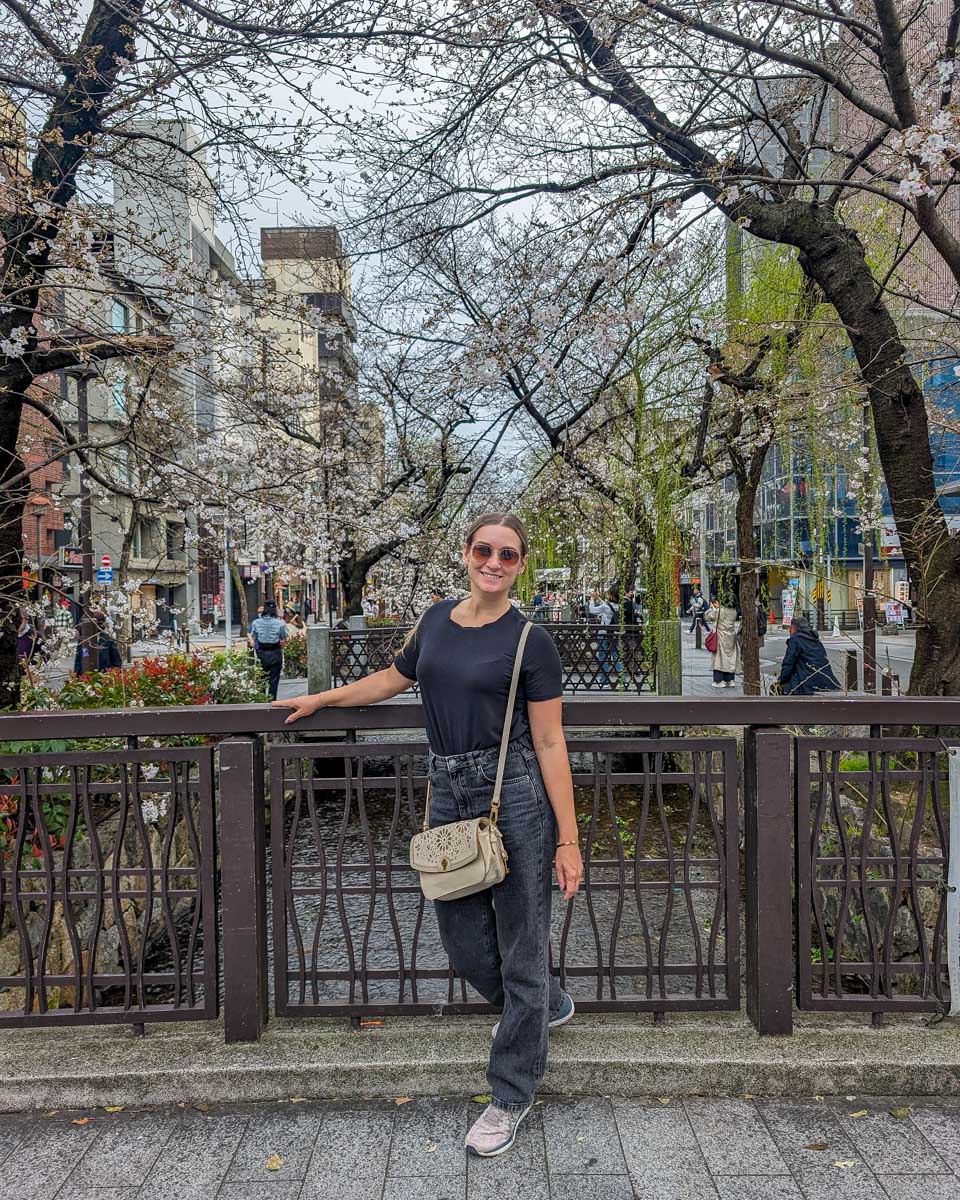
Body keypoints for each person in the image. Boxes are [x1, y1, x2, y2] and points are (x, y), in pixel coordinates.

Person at [275, 512, 582, 1158]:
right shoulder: (438, 619)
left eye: (507, 554)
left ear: (520, 564)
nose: (493, 562)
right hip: (446, 789)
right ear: (466, 554)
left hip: (516, 793)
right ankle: (544, 1005)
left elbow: (551, 741)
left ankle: (511, 1092)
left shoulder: (532, 642)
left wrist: (568, 840)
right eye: (483, 550)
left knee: (523, 941)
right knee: (464, 941)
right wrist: (324, 700)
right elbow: (394, 678)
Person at [778, 616, 842, 695]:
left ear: (794, 628)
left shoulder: (795, 639)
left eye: (790, 628)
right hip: (825, 681)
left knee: (782, 689)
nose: (789, 631)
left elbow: (788, 663)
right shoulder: (815, 639)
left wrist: (781, 680)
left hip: (806, 683)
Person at [248, 601, 287, 700]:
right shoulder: (280, 624)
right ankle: (272, 700)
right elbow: (283, 637)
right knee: (273, 680)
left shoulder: (256, 623)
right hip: (275, 652)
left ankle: (261, 700)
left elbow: (253, 636)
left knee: (261, 678)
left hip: (261, 653)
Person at [589, 589, 625, 688]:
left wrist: (592, 599)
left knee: (603, 657)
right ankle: (623, 681)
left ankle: (604, 681)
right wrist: (599, 599)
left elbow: (592, 610)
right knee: (616, 656)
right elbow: (607, 606)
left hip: (604, 633)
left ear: (612, 597)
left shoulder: (606, 607)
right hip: (614, 634)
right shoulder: (619, 607)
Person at [706, 600, 740, 688]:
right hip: (731, 636)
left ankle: (719, 680)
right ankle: (730, 680)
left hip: (721, 636)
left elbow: (708, 617)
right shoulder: (734, 612)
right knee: (730, 658)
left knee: (719, 659)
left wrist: (712, 608)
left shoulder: (720, 611)